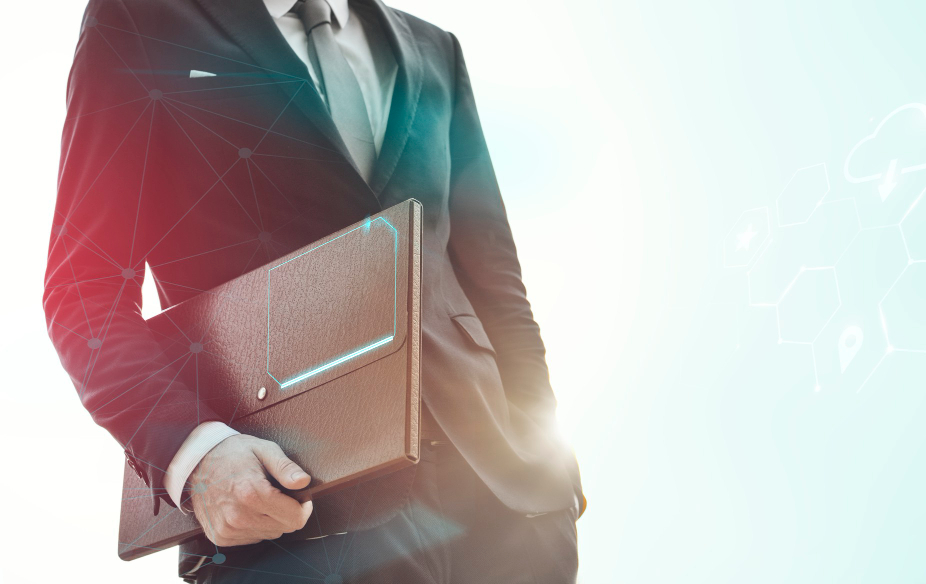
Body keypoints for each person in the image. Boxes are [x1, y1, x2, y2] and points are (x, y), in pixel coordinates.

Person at [43, 0, 584, 581]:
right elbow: (84, 287)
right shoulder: (142, 18)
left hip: (503, 511)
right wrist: (191, 455)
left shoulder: (435, 50)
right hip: (291, 513)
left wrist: (552, 476)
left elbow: (497, 286)